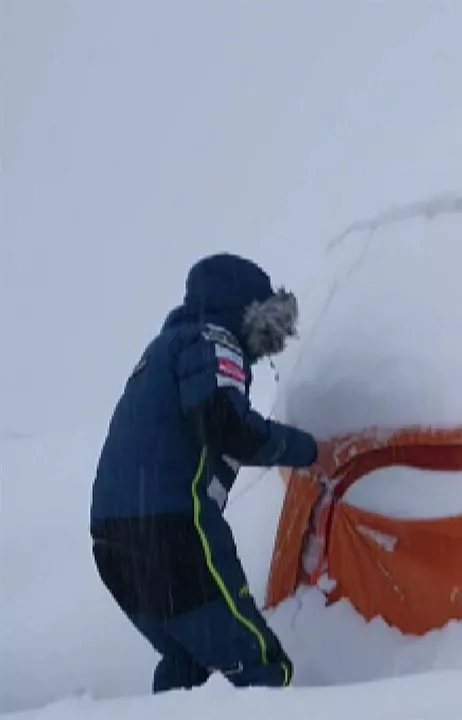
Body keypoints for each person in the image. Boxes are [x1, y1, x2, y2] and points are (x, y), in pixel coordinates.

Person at [89, 252, 319, 693]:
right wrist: (306, 449)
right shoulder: (213, 340)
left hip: (113, 543)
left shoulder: (163, 350)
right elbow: (225, 426)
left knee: (187, 665)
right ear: (247, 313)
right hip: (172, 531)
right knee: (258, 666)